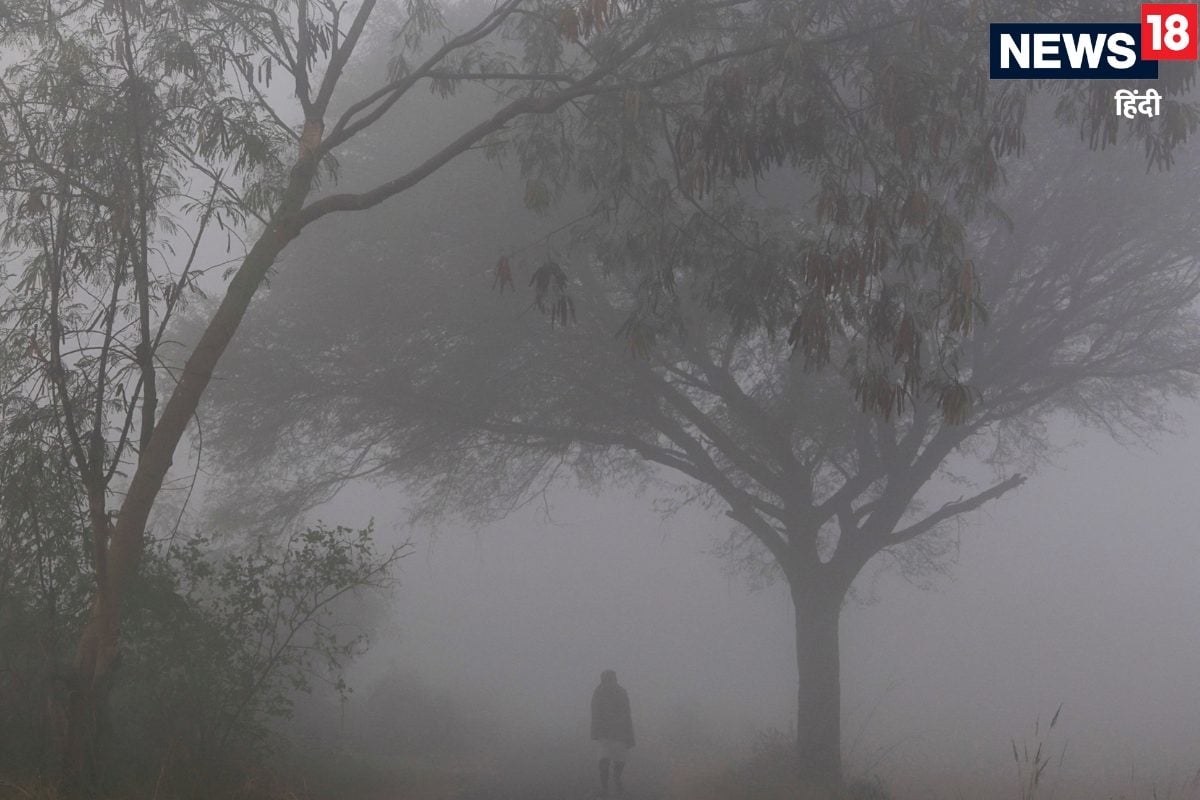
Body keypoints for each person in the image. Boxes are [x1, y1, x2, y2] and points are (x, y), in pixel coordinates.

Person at [591, 669, 635, 797]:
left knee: (615, 760)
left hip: (617, 733)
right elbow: (595, 713)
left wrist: (629, 735)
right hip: (607, 733)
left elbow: (627, 714)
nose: (609, 682)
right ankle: (608, 785)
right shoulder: (599, 693)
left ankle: (613, 781)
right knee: (606, 759)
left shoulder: (620, 692)